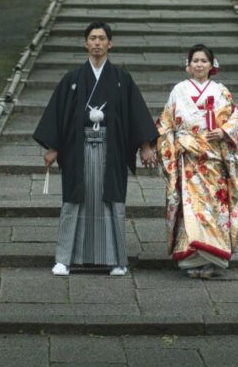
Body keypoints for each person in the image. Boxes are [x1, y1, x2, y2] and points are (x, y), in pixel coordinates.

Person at [34, 21, 158, 276]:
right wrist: (53, 147)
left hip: (111, 150)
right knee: (74, 199)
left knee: (111, 199)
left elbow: (136, 114)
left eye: (102, 38)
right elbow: (60, 114)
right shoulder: (72, 79)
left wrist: (146, 146)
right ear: (85, 43)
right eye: (93, 38)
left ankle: (117, 260)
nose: (97, 43)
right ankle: (64, 259)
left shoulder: (122, 79)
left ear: (110, 43)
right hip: (77, 150)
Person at [155, 44, 238, 279]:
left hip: (214, 159)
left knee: (214, 207)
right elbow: (166, 122)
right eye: (195, 60)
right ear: (188, 65)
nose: (199, 64)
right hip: (188, 158)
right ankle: (192, 259)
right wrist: (171, 144)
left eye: (204, 60)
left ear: (211, 65)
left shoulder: (221, 91)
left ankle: (213, 260)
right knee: (191, 208)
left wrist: (224, 131)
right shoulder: (179, 90)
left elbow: (235, 118)